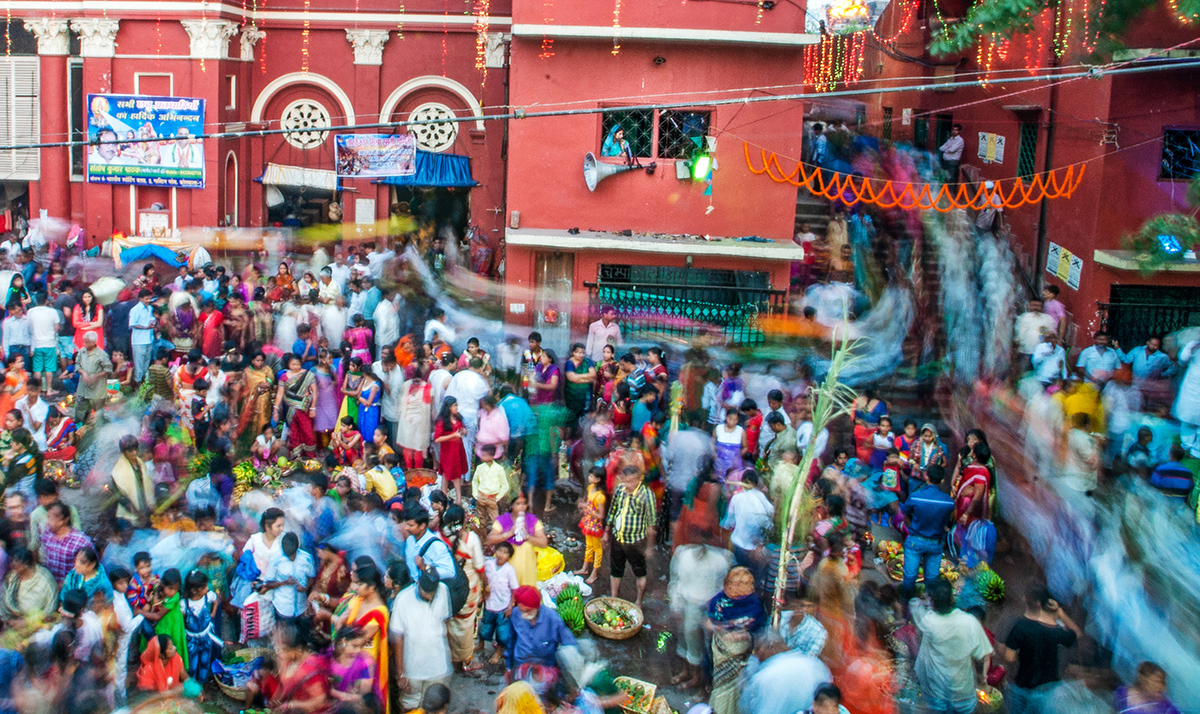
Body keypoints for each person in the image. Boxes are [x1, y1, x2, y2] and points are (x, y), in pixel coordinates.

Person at [911, 578, 994, 714]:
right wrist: (981, 679)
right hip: (963, 693)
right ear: (952, 598)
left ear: (932, 602)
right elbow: (982, 657)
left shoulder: (928, 622)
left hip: (935, 693)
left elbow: (915, 608)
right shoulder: (970, 622)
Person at [1002, 585, 1081, 713]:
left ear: (1025, 599)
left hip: (1023, 685)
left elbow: (1009, 657)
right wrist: (1061, 614)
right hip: (1047, 689)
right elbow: (1077, 634)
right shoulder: (1055, 631)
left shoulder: (1021, 627)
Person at [669, 543, 733, 689]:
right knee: (684, 640)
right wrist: (676, 603)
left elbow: (721, 587)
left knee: (699, 647)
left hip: (705, 606)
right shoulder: (683, 555)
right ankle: (686, 671)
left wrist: (714, 612)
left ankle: (699, 679)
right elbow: (676, 580)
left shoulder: (720, 560)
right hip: (686, 602)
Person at [706, 567, 766, 714]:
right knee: (723, 690)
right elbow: (709, 623)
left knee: (737, 692)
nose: (751, 587)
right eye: (746, 583)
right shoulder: (719, 601)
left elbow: (760, 629)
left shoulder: (754, 603)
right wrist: (724, 632)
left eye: (751, 583)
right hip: (724, 652)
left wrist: (746, 636)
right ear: (733, 585)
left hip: (743, 655)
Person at [390, 570, 452, 711]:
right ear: (418, 584)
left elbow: (445, 623)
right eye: (425, 592)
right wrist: (400, 673)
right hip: (412, 668)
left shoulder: (443, 590)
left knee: (435, 705)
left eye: (432, 593)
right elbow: (398, 638)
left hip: (438, 666)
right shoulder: (403, 599)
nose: (429, 596)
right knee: (410, 705)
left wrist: (450, 654)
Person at [333, 562, 389, 713]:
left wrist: (341, 627)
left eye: (360, 584)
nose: (355, 588)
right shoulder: (358, 599)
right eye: (356, 584)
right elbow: (341, 619)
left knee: (361, 701)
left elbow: (359, 639)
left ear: (371, 587)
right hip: (348, 654)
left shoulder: (379, 612)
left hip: (365, 662)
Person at [604, 464, 657, 608]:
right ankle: (614, 597)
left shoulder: (647, 495)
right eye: (626, 481)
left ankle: (639, 600)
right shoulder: (620, 490)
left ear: (639, 479)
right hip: (618, 538)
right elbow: (612, 511)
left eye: (632, 480)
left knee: (640, 572)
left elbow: (651, 524)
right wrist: (606, 532)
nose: (629, 484)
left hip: (636, 541)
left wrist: (649, 547)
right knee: (616, 570)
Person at [899, 463, 954, 599]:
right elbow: (948, 522)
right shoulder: (948, 502)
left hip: (915, 541)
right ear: (942, 481)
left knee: (910, 577)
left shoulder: (915, 496)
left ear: (926, 476)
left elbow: (904, 516)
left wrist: (912, 527)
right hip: (935, 543)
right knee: (931, 580)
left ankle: (905, 605)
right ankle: (930, 605)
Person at [442, 506, 486, 673]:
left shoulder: (441, 535)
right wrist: (487, 586)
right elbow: (480, 567)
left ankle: (450, 656)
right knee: (466, 626)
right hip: (468, 589)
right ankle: (466, 661)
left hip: (448, 589)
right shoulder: (471, 539)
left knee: (450, 622)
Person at [721, 470, 774, 587]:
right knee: (753, 583)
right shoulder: (767, 504)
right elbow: (770, 528)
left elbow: (728, 523)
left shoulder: (737, 498)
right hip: (758, 550)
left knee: (737, 580)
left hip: (740, 546)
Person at [486, 494, 548, 586]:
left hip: (527, 566)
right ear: (511, 506)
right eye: (518, 504)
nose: (522, 507)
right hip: (506, 563)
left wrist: (528, 537)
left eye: (524, 504)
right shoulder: (503, 520)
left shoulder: (532, 520)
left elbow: (543, 543)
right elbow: (489, 540)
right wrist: (510, 533)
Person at [510, 584, 576, 668]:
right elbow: (511, 638)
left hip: (545, 666)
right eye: (521, 611)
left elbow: (568, 641)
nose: (523, 615)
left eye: (528, 611)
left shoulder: (553, 619)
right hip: (522, 663)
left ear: (536, 607)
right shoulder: (516, 613)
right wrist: (509, 665)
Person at [482, 542, 519, 666]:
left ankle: (498, 651)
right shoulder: (488, 564)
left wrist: (510, 606)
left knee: (502, 632)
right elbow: (483, 578)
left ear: (509, 557)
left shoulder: (509, 570)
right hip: (489, 603)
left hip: (502, 605)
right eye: (499, 551)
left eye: (505, 553)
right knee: (486, 625)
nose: (501, 555)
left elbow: (514, 589)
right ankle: (480, 644)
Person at [112, 434, 156, 527]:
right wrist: (137, 513)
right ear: (123, 452)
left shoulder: (140, 463)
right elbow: (121, 496)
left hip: (144, 509)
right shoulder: (118, 470)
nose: (134, 453)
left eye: (136, 449)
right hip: (128, 517)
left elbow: (148, 485)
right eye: (130, 451)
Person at [432, 396, 469, 503]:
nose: (456, 407)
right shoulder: (442, 421)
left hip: (457, 450)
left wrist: (464, 432)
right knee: (452, 473)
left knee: (447, 473)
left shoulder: (458, 417)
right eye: (454, 405)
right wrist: (453, 435)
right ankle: (458, 498)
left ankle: (445, 494)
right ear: (448, 407)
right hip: (448, 452)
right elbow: (437, 438)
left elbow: (463, 429)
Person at [1114, 661, 1183, 714]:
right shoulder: (1122, 693)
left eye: (1163, 683)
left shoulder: (1168, 708)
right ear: (1143, 680)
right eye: (1157, 682)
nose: (1162, 687)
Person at [73, 331, 112, 421]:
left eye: (86, 342)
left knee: (98, 413)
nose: (84, 344)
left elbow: (108, 369)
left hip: (97, 389)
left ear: (93, 343)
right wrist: (83, 373)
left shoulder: (101, 354)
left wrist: (95, 376)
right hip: (83, 388)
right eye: (84, 341)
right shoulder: (82, 352)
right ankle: (79, 428)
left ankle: (99, 431)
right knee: (80, 410)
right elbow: (77, 365)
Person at [128, 289, 158, 383]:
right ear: (141, 299)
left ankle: (145, 382)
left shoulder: (150, 308)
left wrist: (153, 323)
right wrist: (145, 327)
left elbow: (151, 320)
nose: (148, 301)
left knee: (146, 363)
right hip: (139, 341)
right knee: (139, 364)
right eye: (146, 299)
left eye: (150, 298)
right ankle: (138, 382)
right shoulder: (135, 310)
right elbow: (132, 324)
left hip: (149, 339)